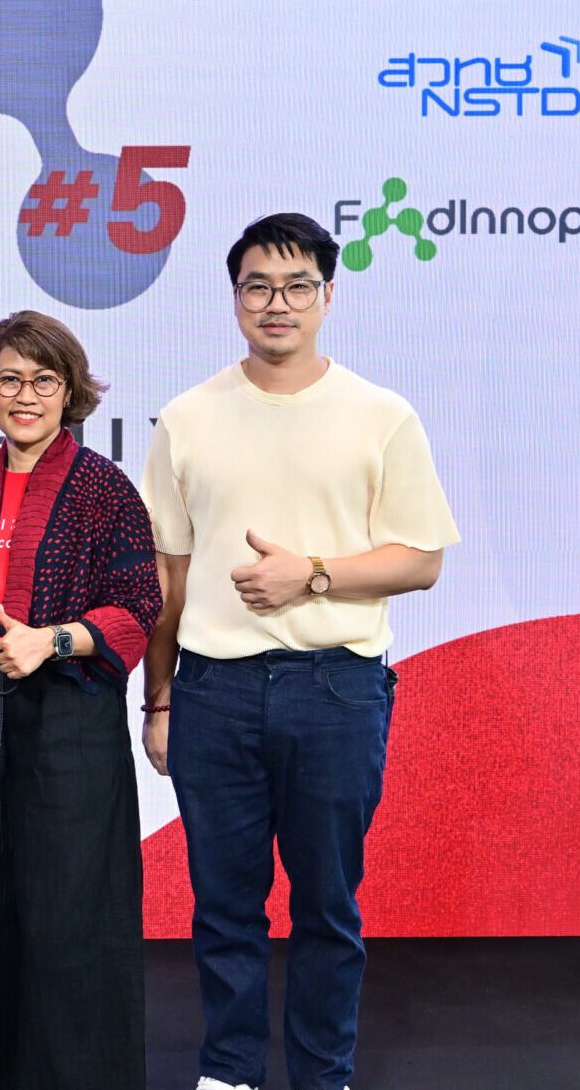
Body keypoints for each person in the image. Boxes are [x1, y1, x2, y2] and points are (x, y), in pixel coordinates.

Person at [140, 213, 460, 1090]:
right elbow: (169, 575)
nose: (276, 303)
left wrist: (310, 576)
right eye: (257, 286)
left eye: (296, 286)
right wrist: (158, 700)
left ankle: (323, 1074)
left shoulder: (381, 416)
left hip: (336, 689)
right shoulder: (188, 418)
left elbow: (421, 559)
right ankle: (230, 1071)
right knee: (224, 906)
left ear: (328, 295)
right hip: (212, 692)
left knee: (326, 905)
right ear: (234, 298)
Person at [0, 311, 160, 1090]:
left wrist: (53, 640)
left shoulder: (103, 488)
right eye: (10, 380)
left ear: (70, 391)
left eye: (44, 380)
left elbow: (140, 606)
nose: (26, 396)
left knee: (69, 919)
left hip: (69, 720)